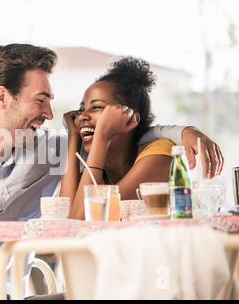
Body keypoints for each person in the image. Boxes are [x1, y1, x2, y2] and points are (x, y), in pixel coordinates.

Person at [0, 43, 223, 300]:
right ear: (3, 97)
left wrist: (183, 132)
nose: (48, 113)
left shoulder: (49, 150)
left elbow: (120, 133)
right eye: (40, 100)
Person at [59, 56, 215, 218]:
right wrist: (73, 138)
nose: (82, 116)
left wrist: (102, 137)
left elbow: (80, 220)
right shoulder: (99, 170)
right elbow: (62, 222)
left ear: (130, 118)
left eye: (96, 107)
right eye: (81, 109)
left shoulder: (159, 155)